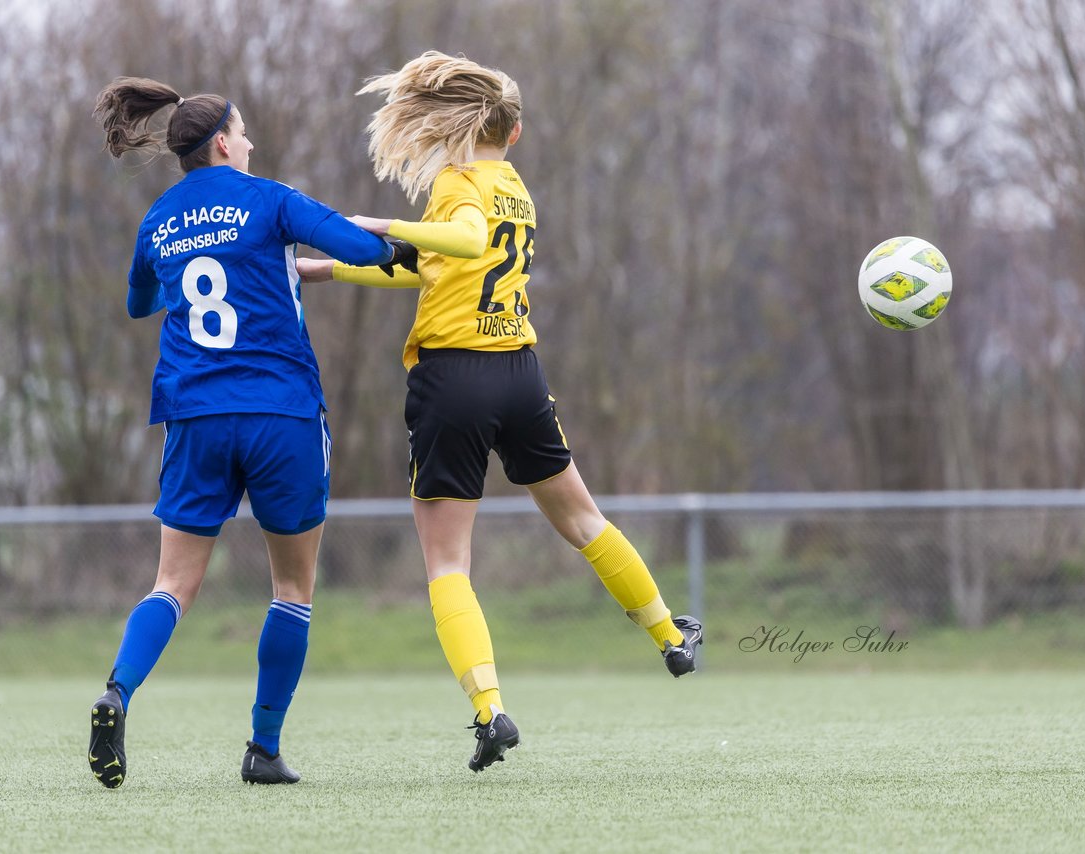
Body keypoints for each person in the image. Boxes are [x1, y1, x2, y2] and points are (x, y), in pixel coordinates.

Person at [297, 51, 703, 773]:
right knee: (582, 518)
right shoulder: (514, 186)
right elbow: (427, 267)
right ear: (511, 134)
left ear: (461, 127)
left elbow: (463, 241)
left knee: (448, 562)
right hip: (519, 371)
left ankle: (490, 710)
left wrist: (381, 220)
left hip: (455, 378)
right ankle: (669, 633)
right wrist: (324, 269)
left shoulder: (458, 185)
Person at [86, 77, 413, 789]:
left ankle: (116, 691)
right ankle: (263, 748)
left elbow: (143, 301)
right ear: (225, 143)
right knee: (292, 587)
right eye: (247, 132)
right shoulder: (270, 198)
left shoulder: (159, 220)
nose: (254, 142)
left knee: (172, 582)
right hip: (279, 413)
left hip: (194, 416)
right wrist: (401, 251)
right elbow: (359, 249)